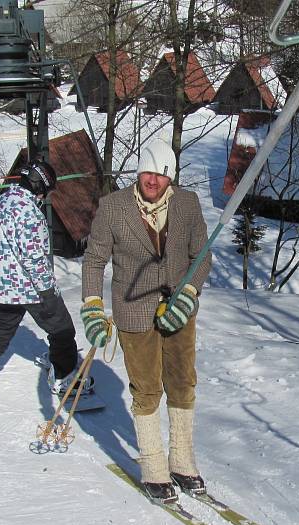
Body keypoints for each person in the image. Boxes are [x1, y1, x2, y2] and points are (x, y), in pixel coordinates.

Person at [81, 138, 212, 503]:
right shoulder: (113, 207)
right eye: (146, 173)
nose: (152, 181)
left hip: (178, 309)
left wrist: (188, 294)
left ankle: (183, 461)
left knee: (183, 382)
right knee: (147, 388)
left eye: (160, 174)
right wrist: (93, 305)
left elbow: (202, 256)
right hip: (133, 310)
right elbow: (94, 261)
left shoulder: (187, 204)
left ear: (170, 177)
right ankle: (154, 468)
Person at [0, 158, 80, 395]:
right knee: (62, 329)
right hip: (30, 287)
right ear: (38, 186)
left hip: (5, 285)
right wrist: (47, 290)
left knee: (2, 329)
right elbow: (33, 258)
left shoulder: (1, 202)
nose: (44, 197)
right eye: (44, 191)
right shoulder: (28, 213)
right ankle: (64, 378)